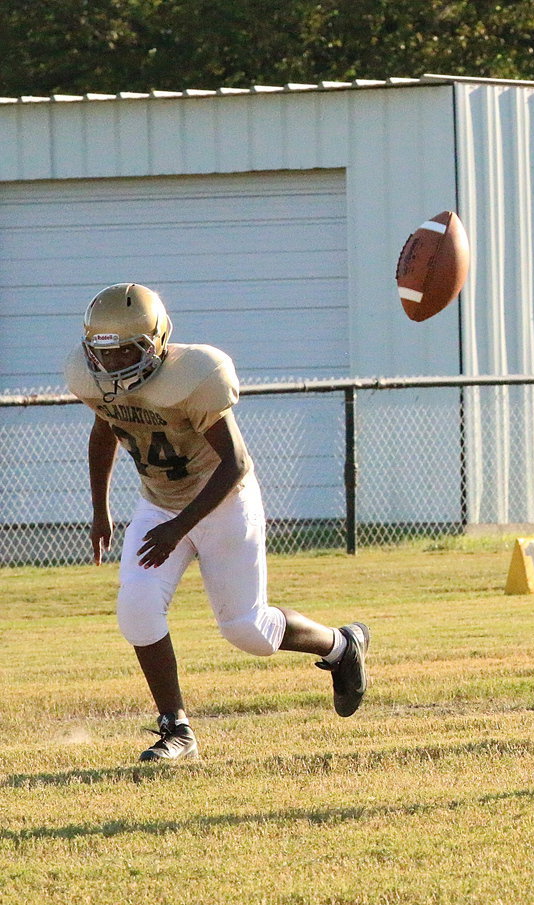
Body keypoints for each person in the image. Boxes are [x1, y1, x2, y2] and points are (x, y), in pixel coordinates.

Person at [65, 283, 371, 763]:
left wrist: (178, 528)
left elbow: (236, 465)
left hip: (223, 500)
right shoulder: (95, 379)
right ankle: (177, 730)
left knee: (247, 630)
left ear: (156, 341)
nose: (113, 364)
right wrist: (99, 507)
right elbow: (104, 430)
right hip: (160, 504)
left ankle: (341, 646)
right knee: (137, 607)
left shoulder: (193, 376)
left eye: (126, 349)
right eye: (103, 353)